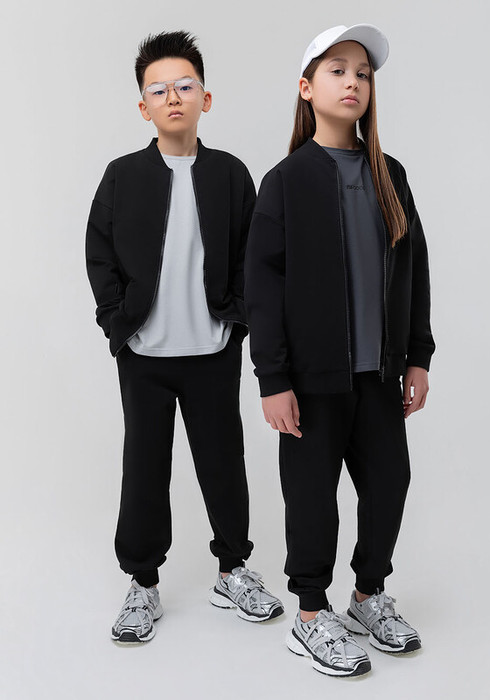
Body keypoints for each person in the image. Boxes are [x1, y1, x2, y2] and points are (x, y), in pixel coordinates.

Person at [244, 23, 436, 677]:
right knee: (312, 498)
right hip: (310, 379)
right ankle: (308, 614)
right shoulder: (285, 181)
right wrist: (272, 378)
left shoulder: (390, 174)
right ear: (306, 88)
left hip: (379, 374)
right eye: (337, 70)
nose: (352, 81)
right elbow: (262, 286)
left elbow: (413, 269)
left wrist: (417, 356)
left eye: (363, 73)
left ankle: (366, 597)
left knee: (388, 483)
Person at [85, 30, 283, 645]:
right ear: (143, 107)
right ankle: (142, 582)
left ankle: (233, 570)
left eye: (185, 86)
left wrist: (237, 321)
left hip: (213, 350)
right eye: (159, 90)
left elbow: (254, 255)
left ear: (206, 98)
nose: (173, 97)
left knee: (223, 462)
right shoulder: (122, 176)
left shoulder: (230, 174)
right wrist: (118, 323)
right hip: (144, 353)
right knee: (144, 466)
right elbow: (99, 255)